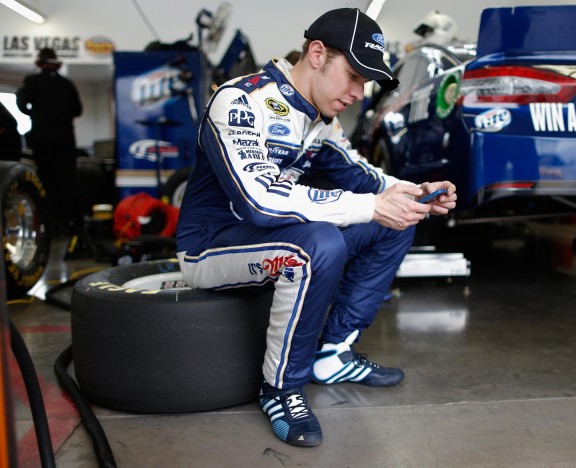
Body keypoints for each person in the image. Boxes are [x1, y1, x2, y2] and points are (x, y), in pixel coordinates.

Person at [176, 8, 456, 447]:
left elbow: (363, 177)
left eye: (366, 82)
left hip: (275, 240)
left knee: (397, 222)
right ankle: (282, 389)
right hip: (211, 246)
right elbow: (260, 202)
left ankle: (332, 354)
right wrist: (371, 206)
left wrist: (414, 191)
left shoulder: (320, 120)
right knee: (320, 242)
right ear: (318, 54)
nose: (359, 93)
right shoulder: (241, 100)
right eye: (354, 75)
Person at [17, 47, 83, 234]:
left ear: (40, 63)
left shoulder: (32, 81)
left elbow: (21, 103)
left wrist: (37, 114)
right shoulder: (67, 84)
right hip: (65, 138)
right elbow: (78, 110)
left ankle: (50, 223)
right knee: (68, 180)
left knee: (46, 179)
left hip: (42, 137)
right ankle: (71, 223)